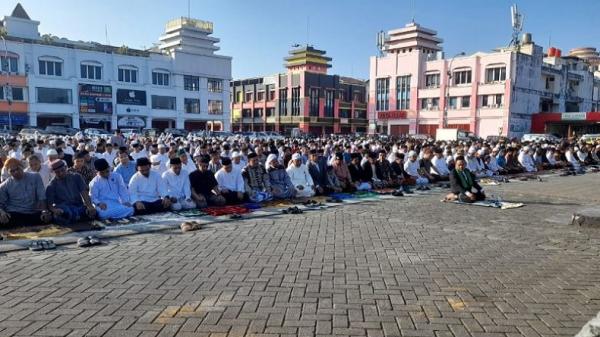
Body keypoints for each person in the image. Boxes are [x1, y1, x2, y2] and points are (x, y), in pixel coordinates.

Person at [0, 158, 52, 227]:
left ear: (22, 167)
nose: (16, 172)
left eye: (17, 169)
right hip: (14, 214)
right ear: (8, 172)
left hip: (33, 212)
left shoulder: (35, 177)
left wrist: (44, 211)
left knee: (50, 217)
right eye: (12, 171)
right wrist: (2, 212)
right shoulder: (5, 185)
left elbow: (42, 197)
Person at [46, 159, 97, 225]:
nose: (61, 173)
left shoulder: (76, 177)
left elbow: (84, 194)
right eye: (57, 172)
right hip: (64, 208)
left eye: (62, 170)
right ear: (54, 173)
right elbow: (50, 205)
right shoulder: (51, 185)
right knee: (61, 215)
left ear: (66, 167)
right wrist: (55, 210)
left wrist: (90, 206)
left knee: (93, 212)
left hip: (78, 206)